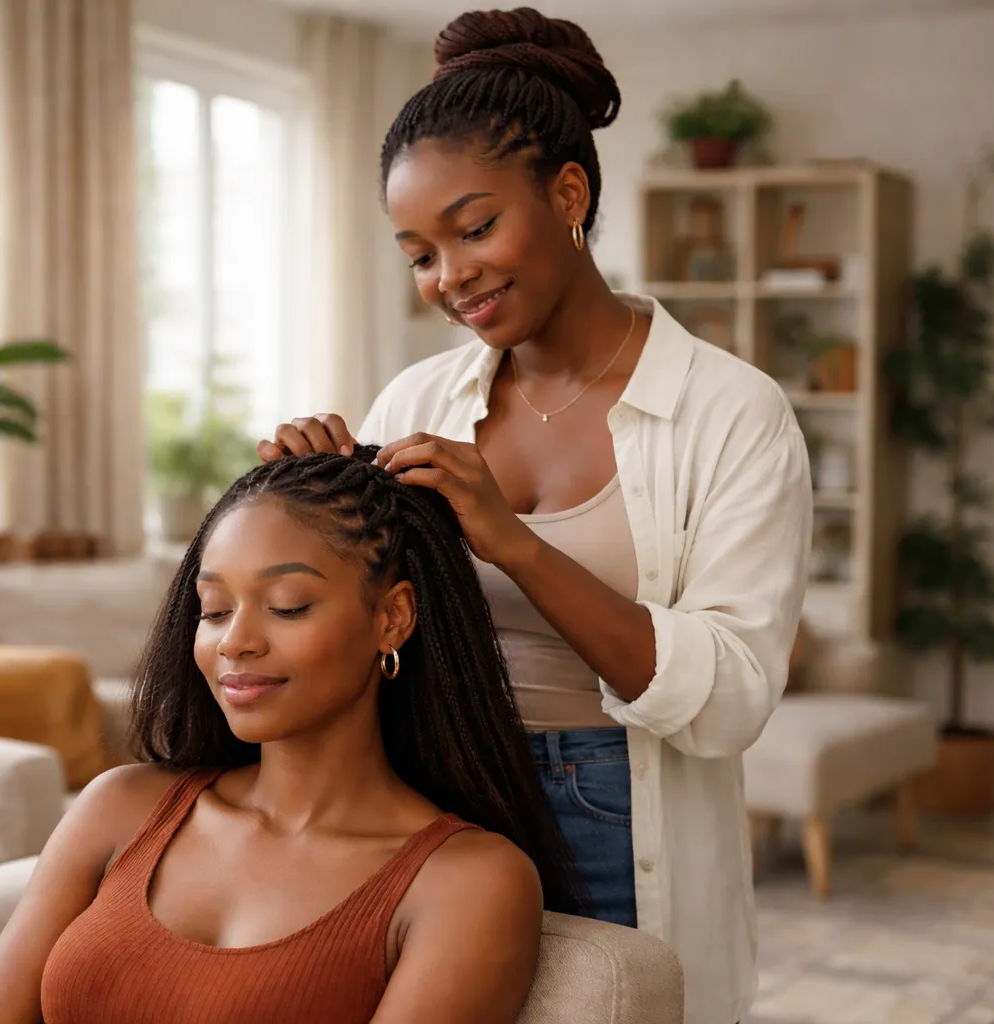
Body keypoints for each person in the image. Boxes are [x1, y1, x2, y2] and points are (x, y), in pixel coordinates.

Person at [258, 8, 812, 1024]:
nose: (451, 276)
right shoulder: (416, 404)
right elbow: (373, 625)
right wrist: (314, 502)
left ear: (568, 193)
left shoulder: (732, 411)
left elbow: (732, 698)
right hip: (441, 798)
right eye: (420, 253)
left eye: (474, 228)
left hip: (617, 809)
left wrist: (509, 541)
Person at [0, 447, 585, 1024]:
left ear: (392, 618)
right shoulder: (119, 806)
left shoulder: (468, 881)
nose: (235, 642)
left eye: (287, 605)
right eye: (215, 609)